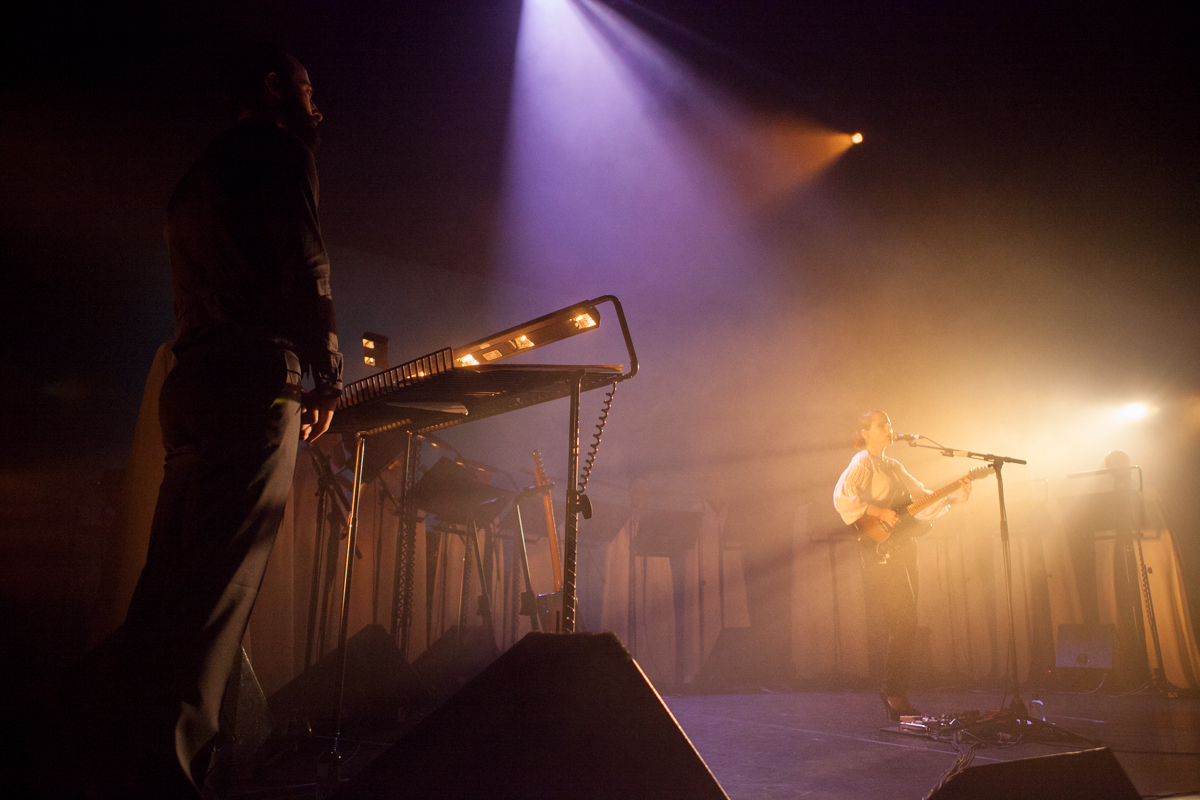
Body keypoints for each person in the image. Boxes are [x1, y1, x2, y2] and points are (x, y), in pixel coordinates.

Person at [94, 44, 342, 797]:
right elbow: (306, 263)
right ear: (272, 87)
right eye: (305, 88)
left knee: (165, 594)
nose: (316, 106)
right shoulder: (282, 152)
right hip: (253, 382)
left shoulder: (193, 178)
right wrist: (329, 375)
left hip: (191, 383)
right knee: (213, 606)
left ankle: (112, 759)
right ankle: (166, 778)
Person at [832, 411, 971, 720]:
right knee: (902, 622)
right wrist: (879, 512)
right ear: (865, 433)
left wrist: (954, 498)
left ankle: (896, 691)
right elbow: (842, 497)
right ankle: (893, 692)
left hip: (904, 547)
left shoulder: (894, 466)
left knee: (907, 622)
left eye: (890, 424)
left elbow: (921, 501)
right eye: (881, 425)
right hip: (881, 551)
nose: (889, 429)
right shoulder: (862, 463)